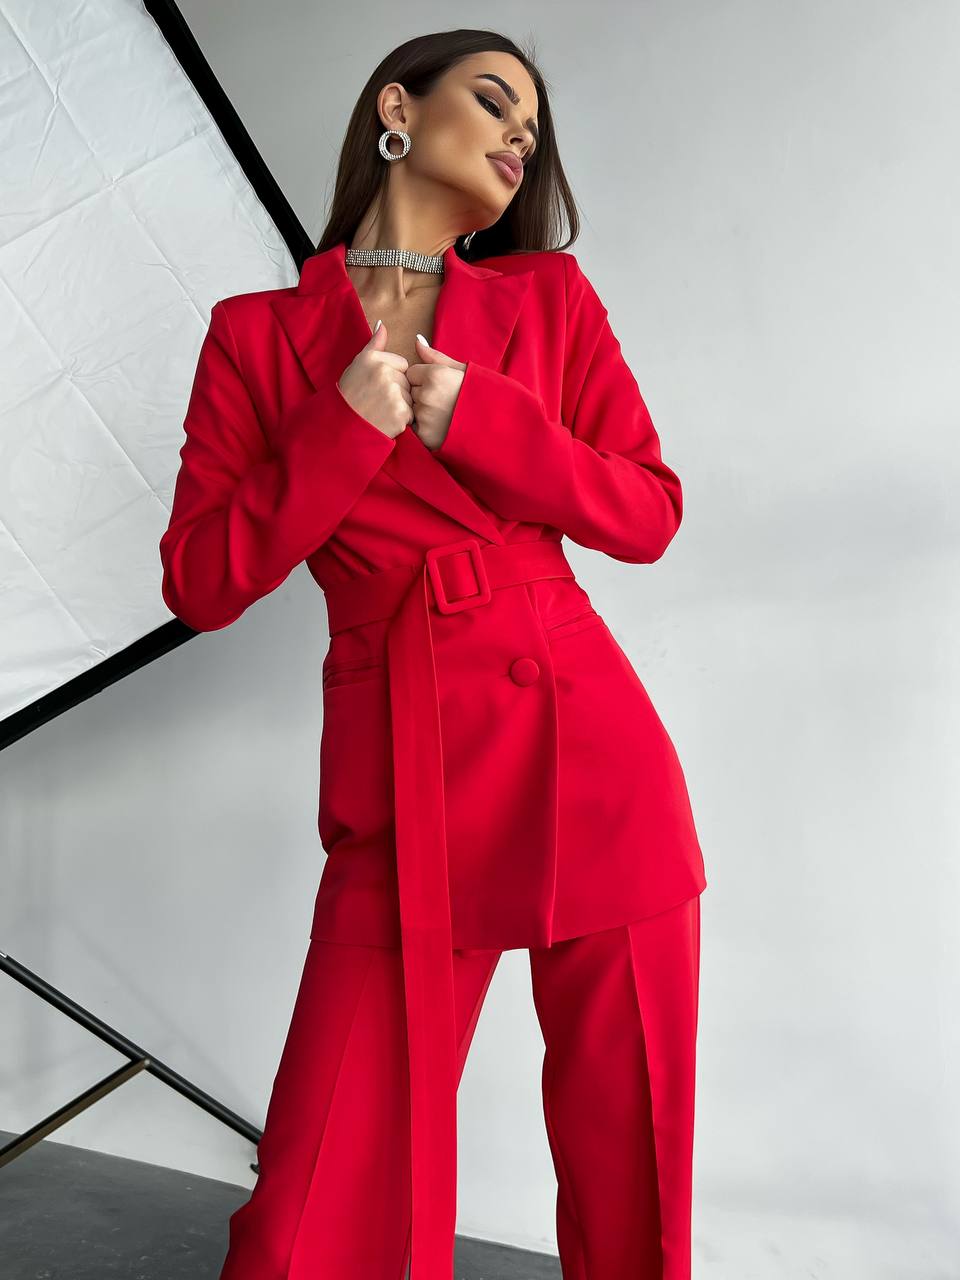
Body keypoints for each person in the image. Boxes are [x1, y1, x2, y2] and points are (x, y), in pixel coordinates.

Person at [159, 28, 707, 1280]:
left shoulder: (547, 302)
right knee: (310, 1222)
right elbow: (199, 583)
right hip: (401, 772)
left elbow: (648, 510)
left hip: (589, 745)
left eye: (534, 127)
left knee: (634, 1179)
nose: (522, 135)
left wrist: (488, 419)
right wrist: (340, 432)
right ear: (398, 110)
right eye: (495, 100)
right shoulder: (253, 335)